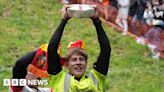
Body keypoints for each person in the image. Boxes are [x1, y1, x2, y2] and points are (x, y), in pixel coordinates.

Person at [47, 5, 111, 92]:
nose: (78, 63)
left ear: (86, 62)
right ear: (67, 63)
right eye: (74, 60)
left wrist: (96, 21)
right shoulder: (58, 78)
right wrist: (64, 20)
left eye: (81, 59)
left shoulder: (96, 77)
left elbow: (106, 50)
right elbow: (51, 49)